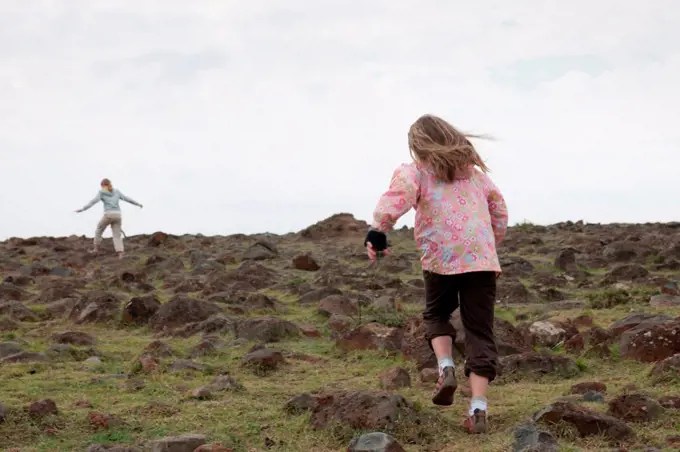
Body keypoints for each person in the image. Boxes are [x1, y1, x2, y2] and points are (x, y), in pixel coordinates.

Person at [364, 114, 508, 434]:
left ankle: (446, 368)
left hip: (440, 259)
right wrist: (488, 248)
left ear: (418, 145)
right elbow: (500, 211)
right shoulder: (478, 178)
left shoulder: (415, 172)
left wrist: (379, 229)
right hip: (481, 261)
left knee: (437, 313)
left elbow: (397, 198)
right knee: (480, 332)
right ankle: (478, 409)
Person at [74, 178, 143, 259]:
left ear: (103, 185)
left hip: (108, 215)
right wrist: (138, 204)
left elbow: (93, 202)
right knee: (117, 235)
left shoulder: (101, 192)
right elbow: (127, 198)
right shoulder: (116, 191)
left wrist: (82, 209)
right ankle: (120, 253)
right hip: (118, 215)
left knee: (99, 230)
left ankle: (96, 249)